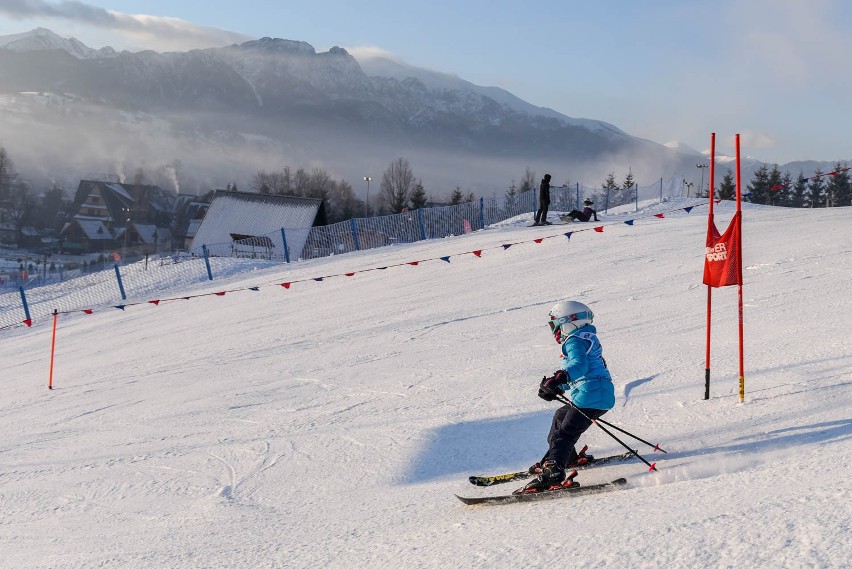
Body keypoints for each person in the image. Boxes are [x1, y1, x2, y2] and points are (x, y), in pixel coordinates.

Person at [518, 300, 616, 493]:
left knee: (564, 435)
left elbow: (580, 366)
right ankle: (564, 458)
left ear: (568, 322)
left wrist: (560, 377)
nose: (554, 330)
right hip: (597, 393)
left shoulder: (575, 340)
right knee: (561, 417)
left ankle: (553, 471)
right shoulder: (584, 337)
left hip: (591, 393)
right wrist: (556, 386)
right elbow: (581, 370)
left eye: (555, 324)